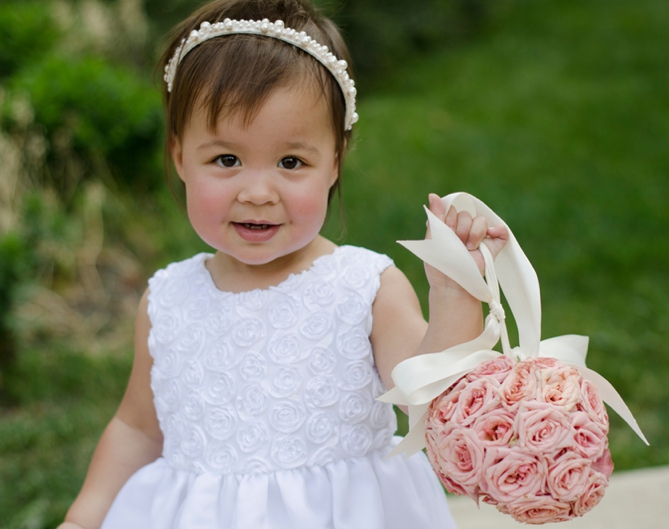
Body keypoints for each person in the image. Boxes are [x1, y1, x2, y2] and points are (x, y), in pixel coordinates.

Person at [59, 1, 508, 527]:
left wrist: (455, 293)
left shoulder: (364, 287)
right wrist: (84, 516)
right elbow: (138, 429)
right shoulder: (167, 300)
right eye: (226, 160)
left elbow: (427, 398)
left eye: (291, 162)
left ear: (334, 162)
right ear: (181, 157)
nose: (257, 192)